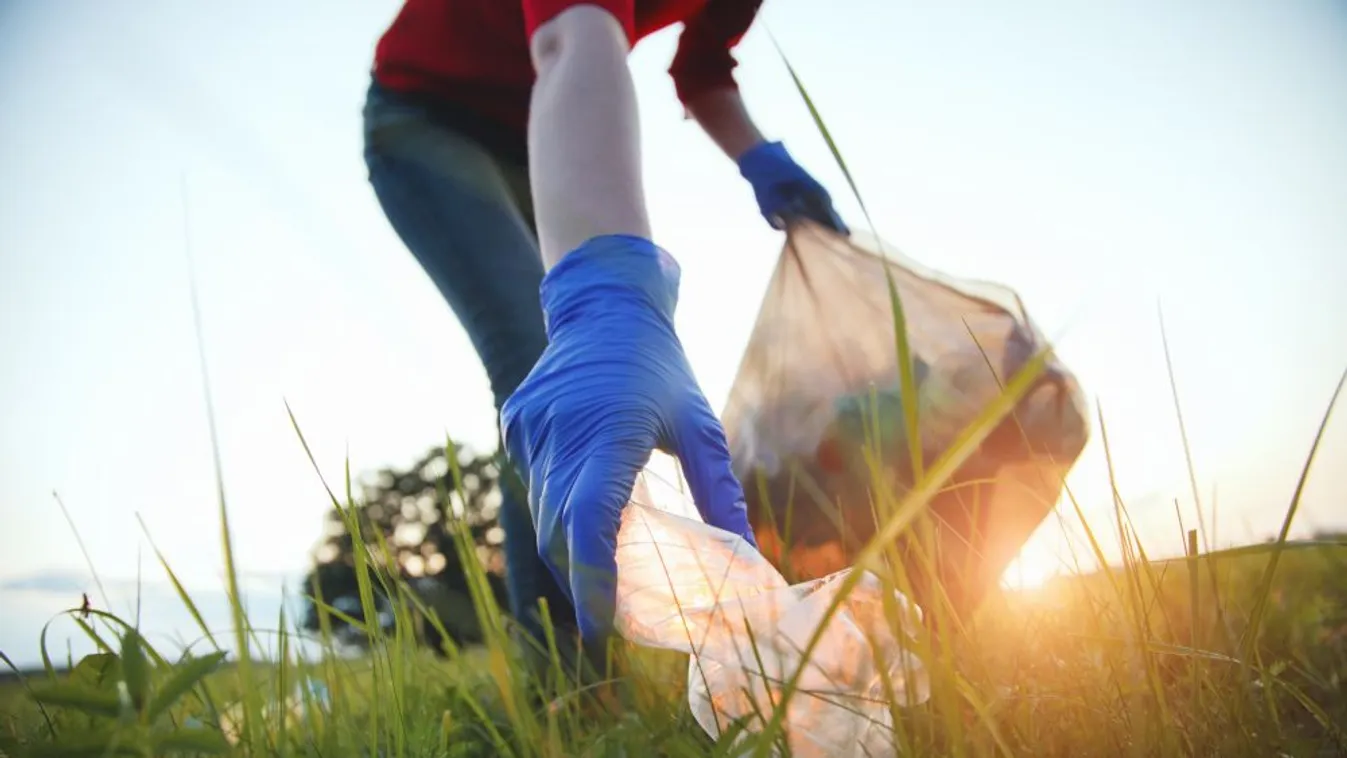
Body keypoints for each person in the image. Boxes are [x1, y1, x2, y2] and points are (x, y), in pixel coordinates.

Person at [362, 0, 847, 670]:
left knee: (584, 372)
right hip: (431, 117)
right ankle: (565, 689)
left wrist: (760, 157)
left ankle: (598, 661)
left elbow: (702, 67)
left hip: (540, 129)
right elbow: (572, 36)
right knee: (548, 365)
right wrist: (609, 298)